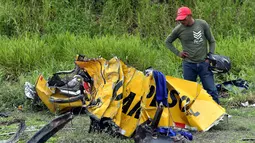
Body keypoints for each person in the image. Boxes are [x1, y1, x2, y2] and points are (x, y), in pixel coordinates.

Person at [165, 6, 219, 104]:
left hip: (204, 63)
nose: (182, 22)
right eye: (180, 20)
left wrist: (210, 56)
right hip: (188, 65)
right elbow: (168, 42)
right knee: (189, 92)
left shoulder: (202, 24)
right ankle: (192, 115)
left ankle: (218, 113)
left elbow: (212, 41)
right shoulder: (179, 29)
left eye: (184, 19)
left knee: (211, 89)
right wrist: (178, 53)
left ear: (190, 16)